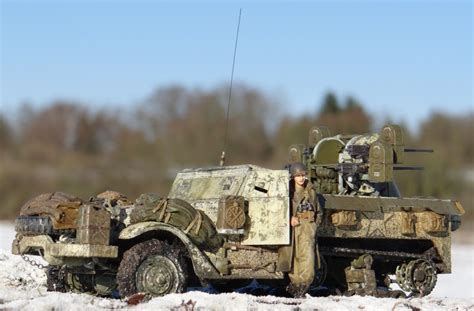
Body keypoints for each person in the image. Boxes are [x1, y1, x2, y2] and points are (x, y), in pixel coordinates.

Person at [278, 162, 319, 298]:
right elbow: (279, 208)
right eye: (298, 175)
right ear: (293, 177)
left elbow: (319, 210)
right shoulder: (287, 191)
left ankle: (304, 284)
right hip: (292, 227)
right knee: (293, 256)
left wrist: (314, 225)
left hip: (307, 225)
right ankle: (295, 285)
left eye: (303, 175)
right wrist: (289, 218)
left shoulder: (311, 190)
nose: (301, 178)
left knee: (307, 256)